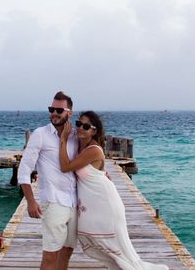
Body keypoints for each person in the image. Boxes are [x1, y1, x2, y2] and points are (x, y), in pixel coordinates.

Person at [59, 111, 168, 270]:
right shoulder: (79, 146)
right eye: (79, 124)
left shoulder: (93, 150)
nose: (81, 128)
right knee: (91, 237)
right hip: (93, 205)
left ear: (94, 131)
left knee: (116, 246)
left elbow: (65, 167)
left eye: (86, 126)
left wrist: (62, 139)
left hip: (105, 204)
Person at [18, 91, 79, 270]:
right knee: (51, 254)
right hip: (53, 201)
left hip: (75, 201)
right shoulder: (40, 134)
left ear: (69, 113)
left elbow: (84, 161)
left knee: (67, 251)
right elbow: (24, 170)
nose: (54, 113)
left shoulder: (75, 136)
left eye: (59, 110)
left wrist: (101, 173)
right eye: (51, 109)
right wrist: (31, 201)